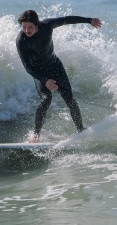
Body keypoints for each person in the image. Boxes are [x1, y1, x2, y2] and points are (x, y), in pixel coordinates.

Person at [16, 10, 102, 142]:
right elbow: (28, 67)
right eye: (24, 27)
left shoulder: (47, 25)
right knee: (45, 100)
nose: (26, 31)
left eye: (30, 27)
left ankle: (81, 130)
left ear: (37, 24)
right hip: (39, 72)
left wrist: (89, 20)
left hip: (55, 65)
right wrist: (45, 80)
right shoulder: (21, 40)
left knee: (69, 99)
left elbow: (66, 20)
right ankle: (35, 135)